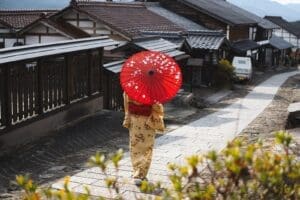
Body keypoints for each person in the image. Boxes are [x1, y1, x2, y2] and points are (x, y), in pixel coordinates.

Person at [122, 92, 165, 185]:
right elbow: (157, 107)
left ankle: (136, 173)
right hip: (148, 122)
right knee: (147, 147)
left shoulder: (130, 89)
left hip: (134, 121)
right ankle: (142, 174)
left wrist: (128, 116)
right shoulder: (151, 90)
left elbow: (126, 103)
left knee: (135, 147)